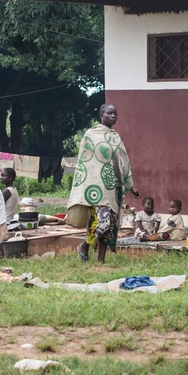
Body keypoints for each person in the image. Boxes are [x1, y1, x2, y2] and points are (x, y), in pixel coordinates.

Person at [69, 104, 140, 263]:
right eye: (110, 113)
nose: (114, 116)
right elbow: (84, 162)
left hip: (112, 188)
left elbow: (122, 162)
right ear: (102, 114)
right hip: (95, 188)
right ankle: (85, 245)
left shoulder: (115, 137)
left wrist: (130, 186)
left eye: (115, 113)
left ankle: (101, 258)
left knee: (110, 226)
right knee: (102, 223)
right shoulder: (90, 135)